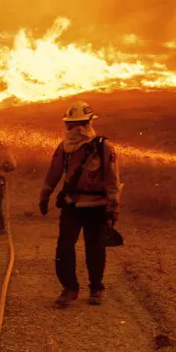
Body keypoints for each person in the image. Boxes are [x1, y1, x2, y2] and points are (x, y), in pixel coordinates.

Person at [39, 101, 120, 307]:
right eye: (72, 124)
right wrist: (44, 194)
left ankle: (96, 287)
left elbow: (112, 179)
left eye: (80, 123)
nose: (75, 129)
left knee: (95, 247)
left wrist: (112, 207)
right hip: (71, 205)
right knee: (64, 246)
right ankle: (69, 288)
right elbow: (54, 172)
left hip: (97, 206)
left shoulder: (103, 146)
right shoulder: (64, 147)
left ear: (88, 123)